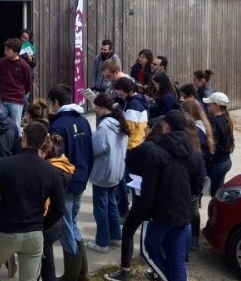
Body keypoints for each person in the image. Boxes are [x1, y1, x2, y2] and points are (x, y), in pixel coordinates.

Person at [0, 121, 65, 281]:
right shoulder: (52, 172)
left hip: (6, 230)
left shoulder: (4, 164)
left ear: (23, 138)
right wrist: (42, 225)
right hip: (34, 234)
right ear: (42, 143)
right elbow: (59, 208)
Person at [140, 110, 204, 281]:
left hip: (161, 214)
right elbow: (198, 184)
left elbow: (148, 188)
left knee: (148, 250)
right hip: (183, 212)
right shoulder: (195, 153)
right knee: (177, 258)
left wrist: (145, 213)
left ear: (166, 126)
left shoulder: (156, 153)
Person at [104, 118, 164, 281]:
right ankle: (158, 268)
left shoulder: (146, 147)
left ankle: (125, 271)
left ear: (151, 129)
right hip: (161, 198)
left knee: (128, 231)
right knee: (159, 235)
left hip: (142, 196)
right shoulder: (165, 146)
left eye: (146, 128)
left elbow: (130, 160)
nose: (144, 131)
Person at [47, 84, 93, 281]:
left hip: (65, 182)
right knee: (72, 224)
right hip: (81, 178)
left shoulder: (57, 125)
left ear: (56, 103)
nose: (50, 107)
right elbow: (90, 152)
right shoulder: (83, 121)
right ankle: (81, 273)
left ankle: (71, 276)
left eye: (51, 103)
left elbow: (55, 157)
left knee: (66, 228)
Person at [86, 93, 129, 253]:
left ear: (103, 108)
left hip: (104, 172)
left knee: (100, 208)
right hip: (117, 171)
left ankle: (102, 242)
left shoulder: (104, 127)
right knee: (112, 205)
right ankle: (116, 237)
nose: (96, 111)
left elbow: (95, 148)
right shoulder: (120, 122)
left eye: (96, 108)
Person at [38, 134, 74, 281]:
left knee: (45, 263)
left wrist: (44, 224)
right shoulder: (63, 165)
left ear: (45, 153)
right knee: (47, 256)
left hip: (47, 222)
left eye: (38, 152)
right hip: (56, 223)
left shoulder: (50, 172)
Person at [180, 98, 216, 251]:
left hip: (195, 173)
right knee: (193, 206)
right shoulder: (203, 124)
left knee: (191, 208)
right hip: (200, 171)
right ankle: (193, 238)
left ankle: (192, 239)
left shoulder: (196, 130)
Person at [112, 77, 149, 219]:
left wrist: (118, 117)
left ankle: (129, 211)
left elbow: (130, 128)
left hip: (132, 146)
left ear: (128, 91)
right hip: (137, 143)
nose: (118, 94)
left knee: (128, 181)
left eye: (120, 91)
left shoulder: (133, 105)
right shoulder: (136, 101)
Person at [203, 92, 234, 196]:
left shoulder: (214, 121)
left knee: (215, 194)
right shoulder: (225, 118)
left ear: (216, 105)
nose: (208, 105)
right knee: (218, 190)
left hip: (218, 163)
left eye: (210, 103)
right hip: (226, 161)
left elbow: (212, 145)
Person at [0, 37, 32, 130]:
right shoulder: (2, 62)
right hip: (4, 99)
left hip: (17, 100)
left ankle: (15, 144)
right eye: (5, 49)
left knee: (15, 127)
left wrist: (20, 94)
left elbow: (28, 83)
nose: (5, 52)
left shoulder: (24, 65)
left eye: (8, 50)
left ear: (16, 53)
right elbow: (0, 77)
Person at [19, 28, 37, 108]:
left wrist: (30, 60)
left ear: (29, 39)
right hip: (18, 75)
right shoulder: (16, 46)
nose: (23, 39)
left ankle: (26, 112)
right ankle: (26, 112)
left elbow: (34, 64)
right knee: (20, 97)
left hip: (28, 76)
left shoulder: (29, 47)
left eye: (26, 38)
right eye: (22, 37)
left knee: (24, 96)